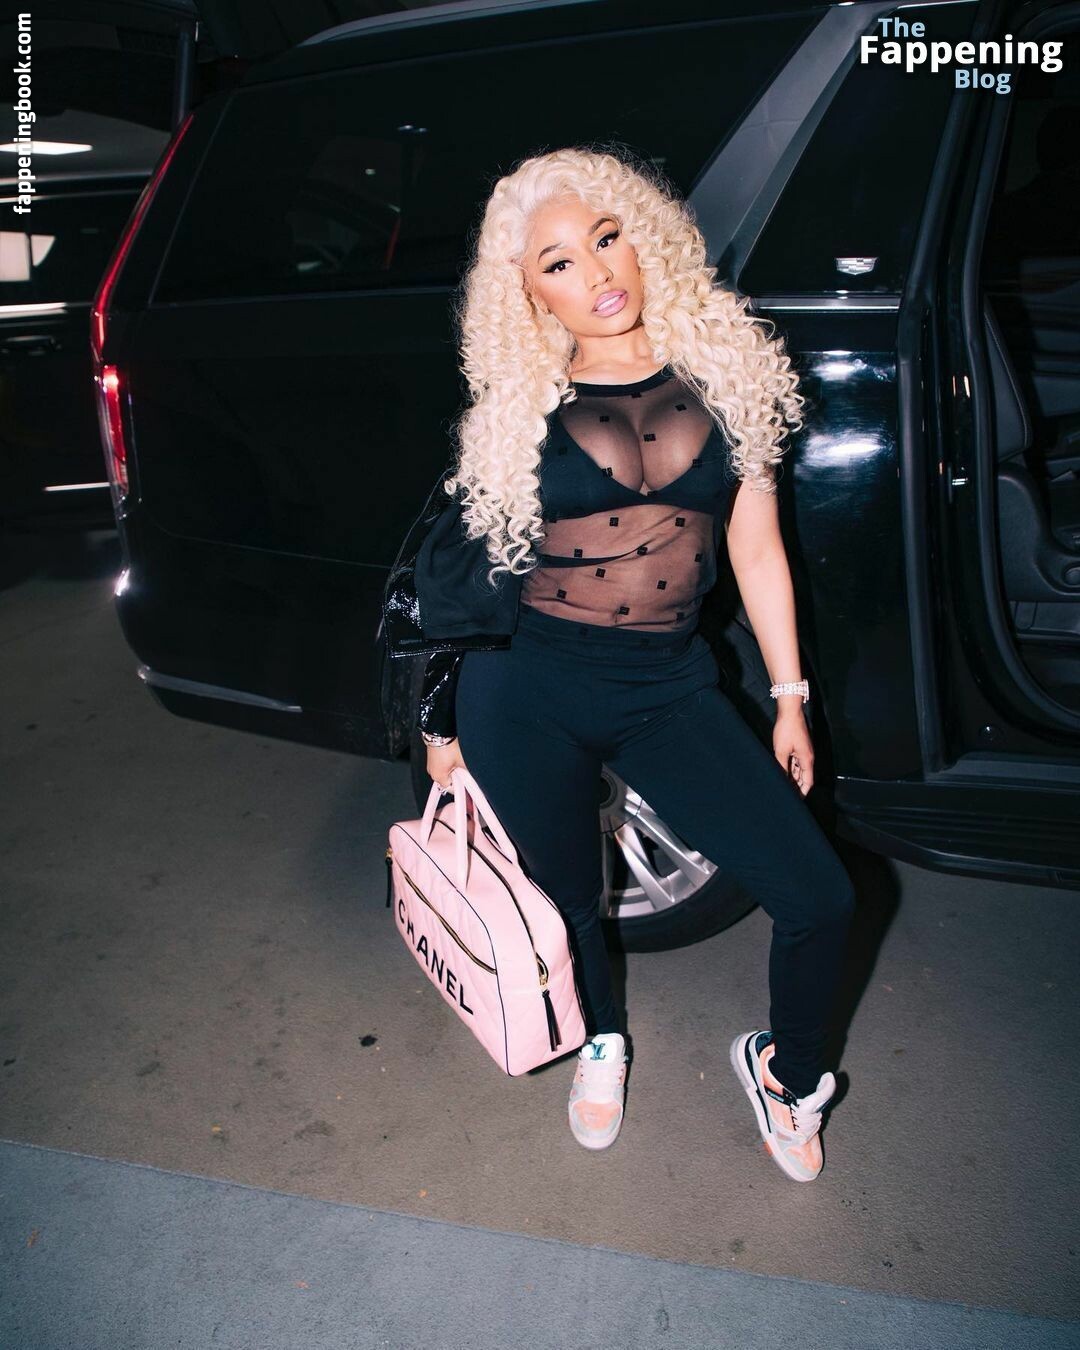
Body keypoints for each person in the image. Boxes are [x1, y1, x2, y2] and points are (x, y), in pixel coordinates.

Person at [388, 146, 856, 1181]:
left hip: (668, 689)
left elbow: (757, 551)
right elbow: (464, 576)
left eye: (607, 238)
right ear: (529, 292)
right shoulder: (518, 406)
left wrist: (789, 698)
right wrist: (439, 724)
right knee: (567, 903)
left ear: (645, 240)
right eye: (557, 261)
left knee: (819, 896)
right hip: (526, 689)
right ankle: (601, 1036)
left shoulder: (729, 376)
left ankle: (788, 1073)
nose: (595, 271)